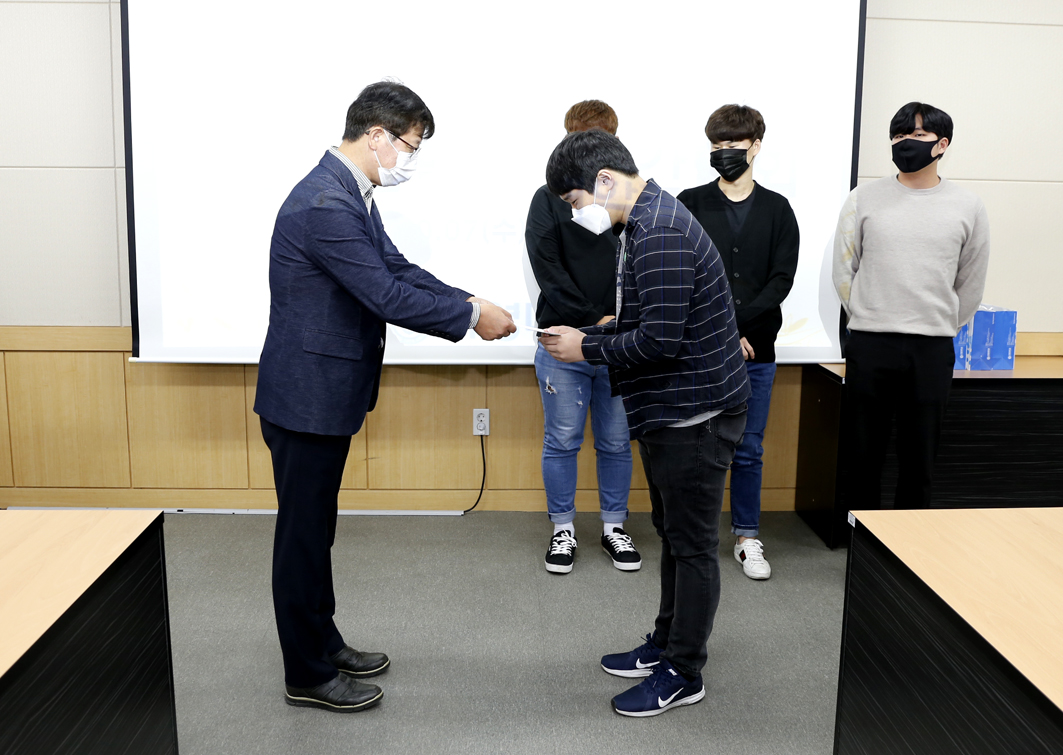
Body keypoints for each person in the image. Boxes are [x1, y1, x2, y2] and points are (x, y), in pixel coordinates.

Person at [254, 81, 516, 713]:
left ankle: (324, 642)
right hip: (305, 398)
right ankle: (306, 674)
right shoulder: (325, 203)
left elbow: (396, 269)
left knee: (317, 531)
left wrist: (469, 299)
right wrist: (469, 318)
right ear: (376, 135)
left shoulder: (350, 193)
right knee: (302, 538)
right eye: (409, 145)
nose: (410, 159)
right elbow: (385, 295)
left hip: (324, 394)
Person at [540, 130, 749, 718]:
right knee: (674, 536)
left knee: (692, 544)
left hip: (696, 413)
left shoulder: (659, 229)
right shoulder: (645, 220)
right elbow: (653, 320)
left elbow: (660, 340)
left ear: (604, 181)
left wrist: (587, 348)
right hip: (674, 409)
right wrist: (595, 333)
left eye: (576, 200)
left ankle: (685, 671)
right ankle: (666, 642)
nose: (576, 214)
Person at [832, 101, 989, 511]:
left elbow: (971, 280)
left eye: (918, 135)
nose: (906, 143)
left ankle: (909, 541)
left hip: (931, 347)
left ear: (942, 144)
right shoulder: (863, 198)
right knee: (862, 455)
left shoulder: (968, 205)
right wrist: (868, 312)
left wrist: (941, 322)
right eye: (899, 135)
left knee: (919, 459)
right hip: (871, 342)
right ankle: (860, 539)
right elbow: (844, 270)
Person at [677, 105, 799, 581]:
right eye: (717, 145)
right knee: (695, 446)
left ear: (756, 146)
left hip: (757, 351)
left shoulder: (778, 209)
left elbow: (780, 281)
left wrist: (739, 329)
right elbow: (681, 274)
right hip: (701, 351)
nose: (724, 152)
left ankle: (747, 537)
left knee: (748, 447)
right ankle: (694, 537)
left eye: (733, 144)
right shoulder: (689, 203)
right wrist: (724, 332)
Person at [525, 100, 639, 575]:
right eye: (579, 137)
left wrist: (618, 323)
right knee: (562, 440)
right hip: (563, 340)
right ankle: (563, 529)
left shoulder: (628, 202)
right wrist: (595, 321)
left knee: (616, 441)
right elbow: (547, 270)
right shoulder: (549, 197)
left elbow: (641, 268)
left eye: (600, 138)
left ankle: (614, 526)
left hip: (622, 344)